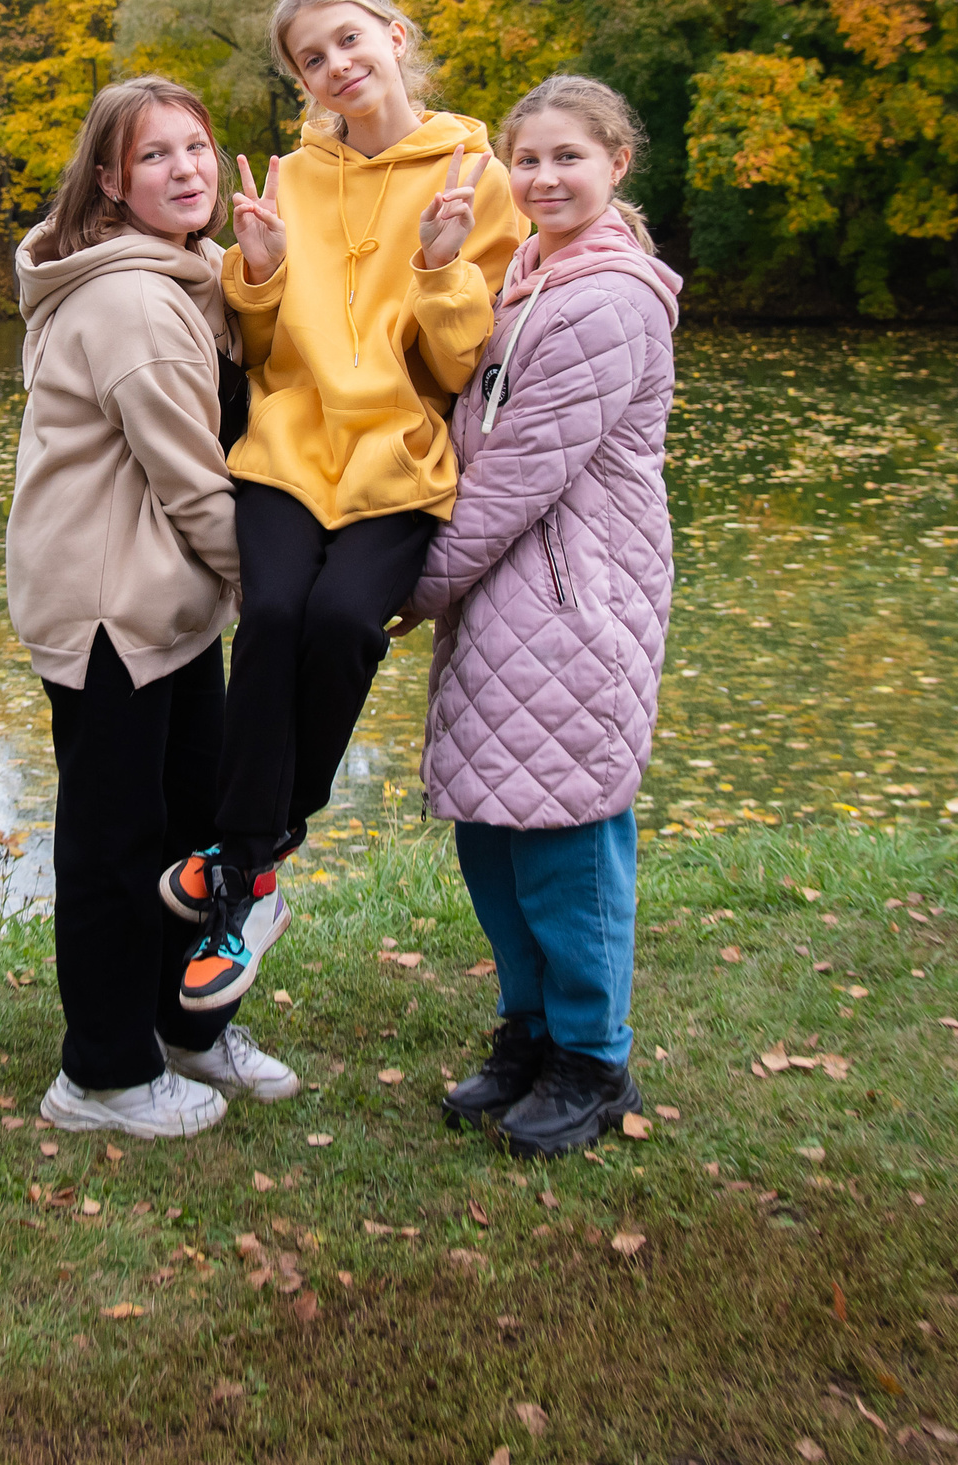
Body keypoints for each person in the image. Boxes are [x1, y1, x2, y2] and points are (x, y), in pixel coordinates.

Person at [162, 0, 527, 1014]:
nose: (336, 66)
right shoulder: (295, 178)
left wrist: (444, 268)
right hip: (286, 449)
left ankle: (257, 847)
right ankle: (250, 876)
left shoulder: (477, 175)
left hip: (399, 460)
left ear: (395, 35)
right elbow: (260, 349)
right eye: (311, 58)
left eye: (349, 40)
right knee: (273, 613)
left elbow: (459, 369)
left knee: (340, 624)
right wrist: (260, 271)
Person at [7, 75, 299, 1138]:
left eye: (197, 147)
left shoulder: (181, 273)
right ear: (109, 180)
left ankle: (188, 1028)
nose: (186, 170)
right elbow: (194, 485)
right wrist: (279, 604)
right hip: (110, 613)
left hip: (168, 602)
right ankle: (103, 1075)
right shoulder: (132, 303)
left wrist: (260, 272)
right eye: (154, 155)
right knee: (117, 847)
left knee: (191, 836)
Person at [403, 74, 682, 1158]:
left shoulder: (607, 299)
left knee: (566, 842)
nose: (544, 177)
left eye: (569, 157)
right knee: (494, 831)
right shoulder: (526, 277)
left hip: (574, 603)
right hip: (505, 601)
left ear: (617, 162)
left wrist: (406, 590)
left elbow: (517, 473)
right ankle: (528, 1034)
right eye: (527, 159)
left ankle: (591, 1060)